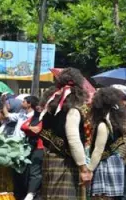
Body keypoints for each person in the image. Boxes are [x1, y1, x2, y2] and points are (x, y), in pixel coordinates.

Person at [39, 67, 90, 199]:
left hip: (49, 158)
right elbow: (73, 139)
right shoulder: (72, 109)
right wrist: (83, 167)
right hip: (65, 163)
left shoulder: (50, 105)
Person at [88, 87, 126, 199]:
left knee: (101, 197)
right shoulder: (115, 121)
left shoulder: (103, 125)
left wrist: (89, 170)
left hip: (105, 164)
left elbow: (98, 151)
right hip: (115, 161)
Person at [15, 96, 43, 200]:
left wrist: (30, 129)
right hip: (30, 146)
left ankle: (31, 193)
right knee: (27, 169)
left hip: (40, 147)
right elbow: (23, 126)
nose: (39, 109)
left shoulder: (43, 118)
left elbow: (38, 130)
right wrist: (31, 128)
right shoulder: (33, 118)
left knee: (35, 171)